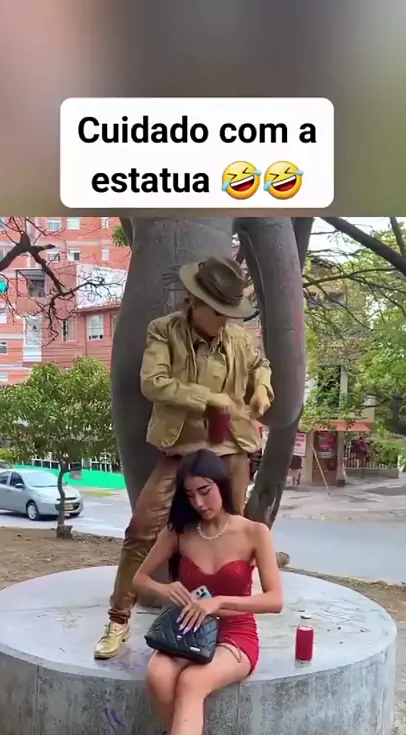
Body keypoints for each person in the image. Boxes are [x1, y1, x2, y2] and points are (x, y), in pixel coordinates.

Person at [94, 256, 276, 660]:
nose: (226, 321)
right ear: (196, 302)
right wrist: (208, 399)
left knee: (231, 538)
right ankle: (118, 619)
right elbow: (153, 382)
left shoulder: (238, 337)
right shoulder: (164, 331)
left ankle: (225, 621)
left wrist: (263, 386)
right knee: (141, 530)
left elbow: (260, 364)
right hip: (180, 451)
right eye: (219, 312)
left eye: (231, 313)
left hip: (231, 450)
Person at [132, 449, 283, 735]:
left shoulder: (254, 532)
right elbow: (139, 579)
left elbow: (275, 600)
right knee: (157, 674)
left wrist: (219, 602)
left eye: (205, 491)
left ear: (222, 485)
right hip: (189, 630)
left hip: (236, 633)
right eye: (190, 495)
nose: (199, 503)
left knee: (192, 682)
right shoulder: (180, 532)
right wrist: (165, 589)